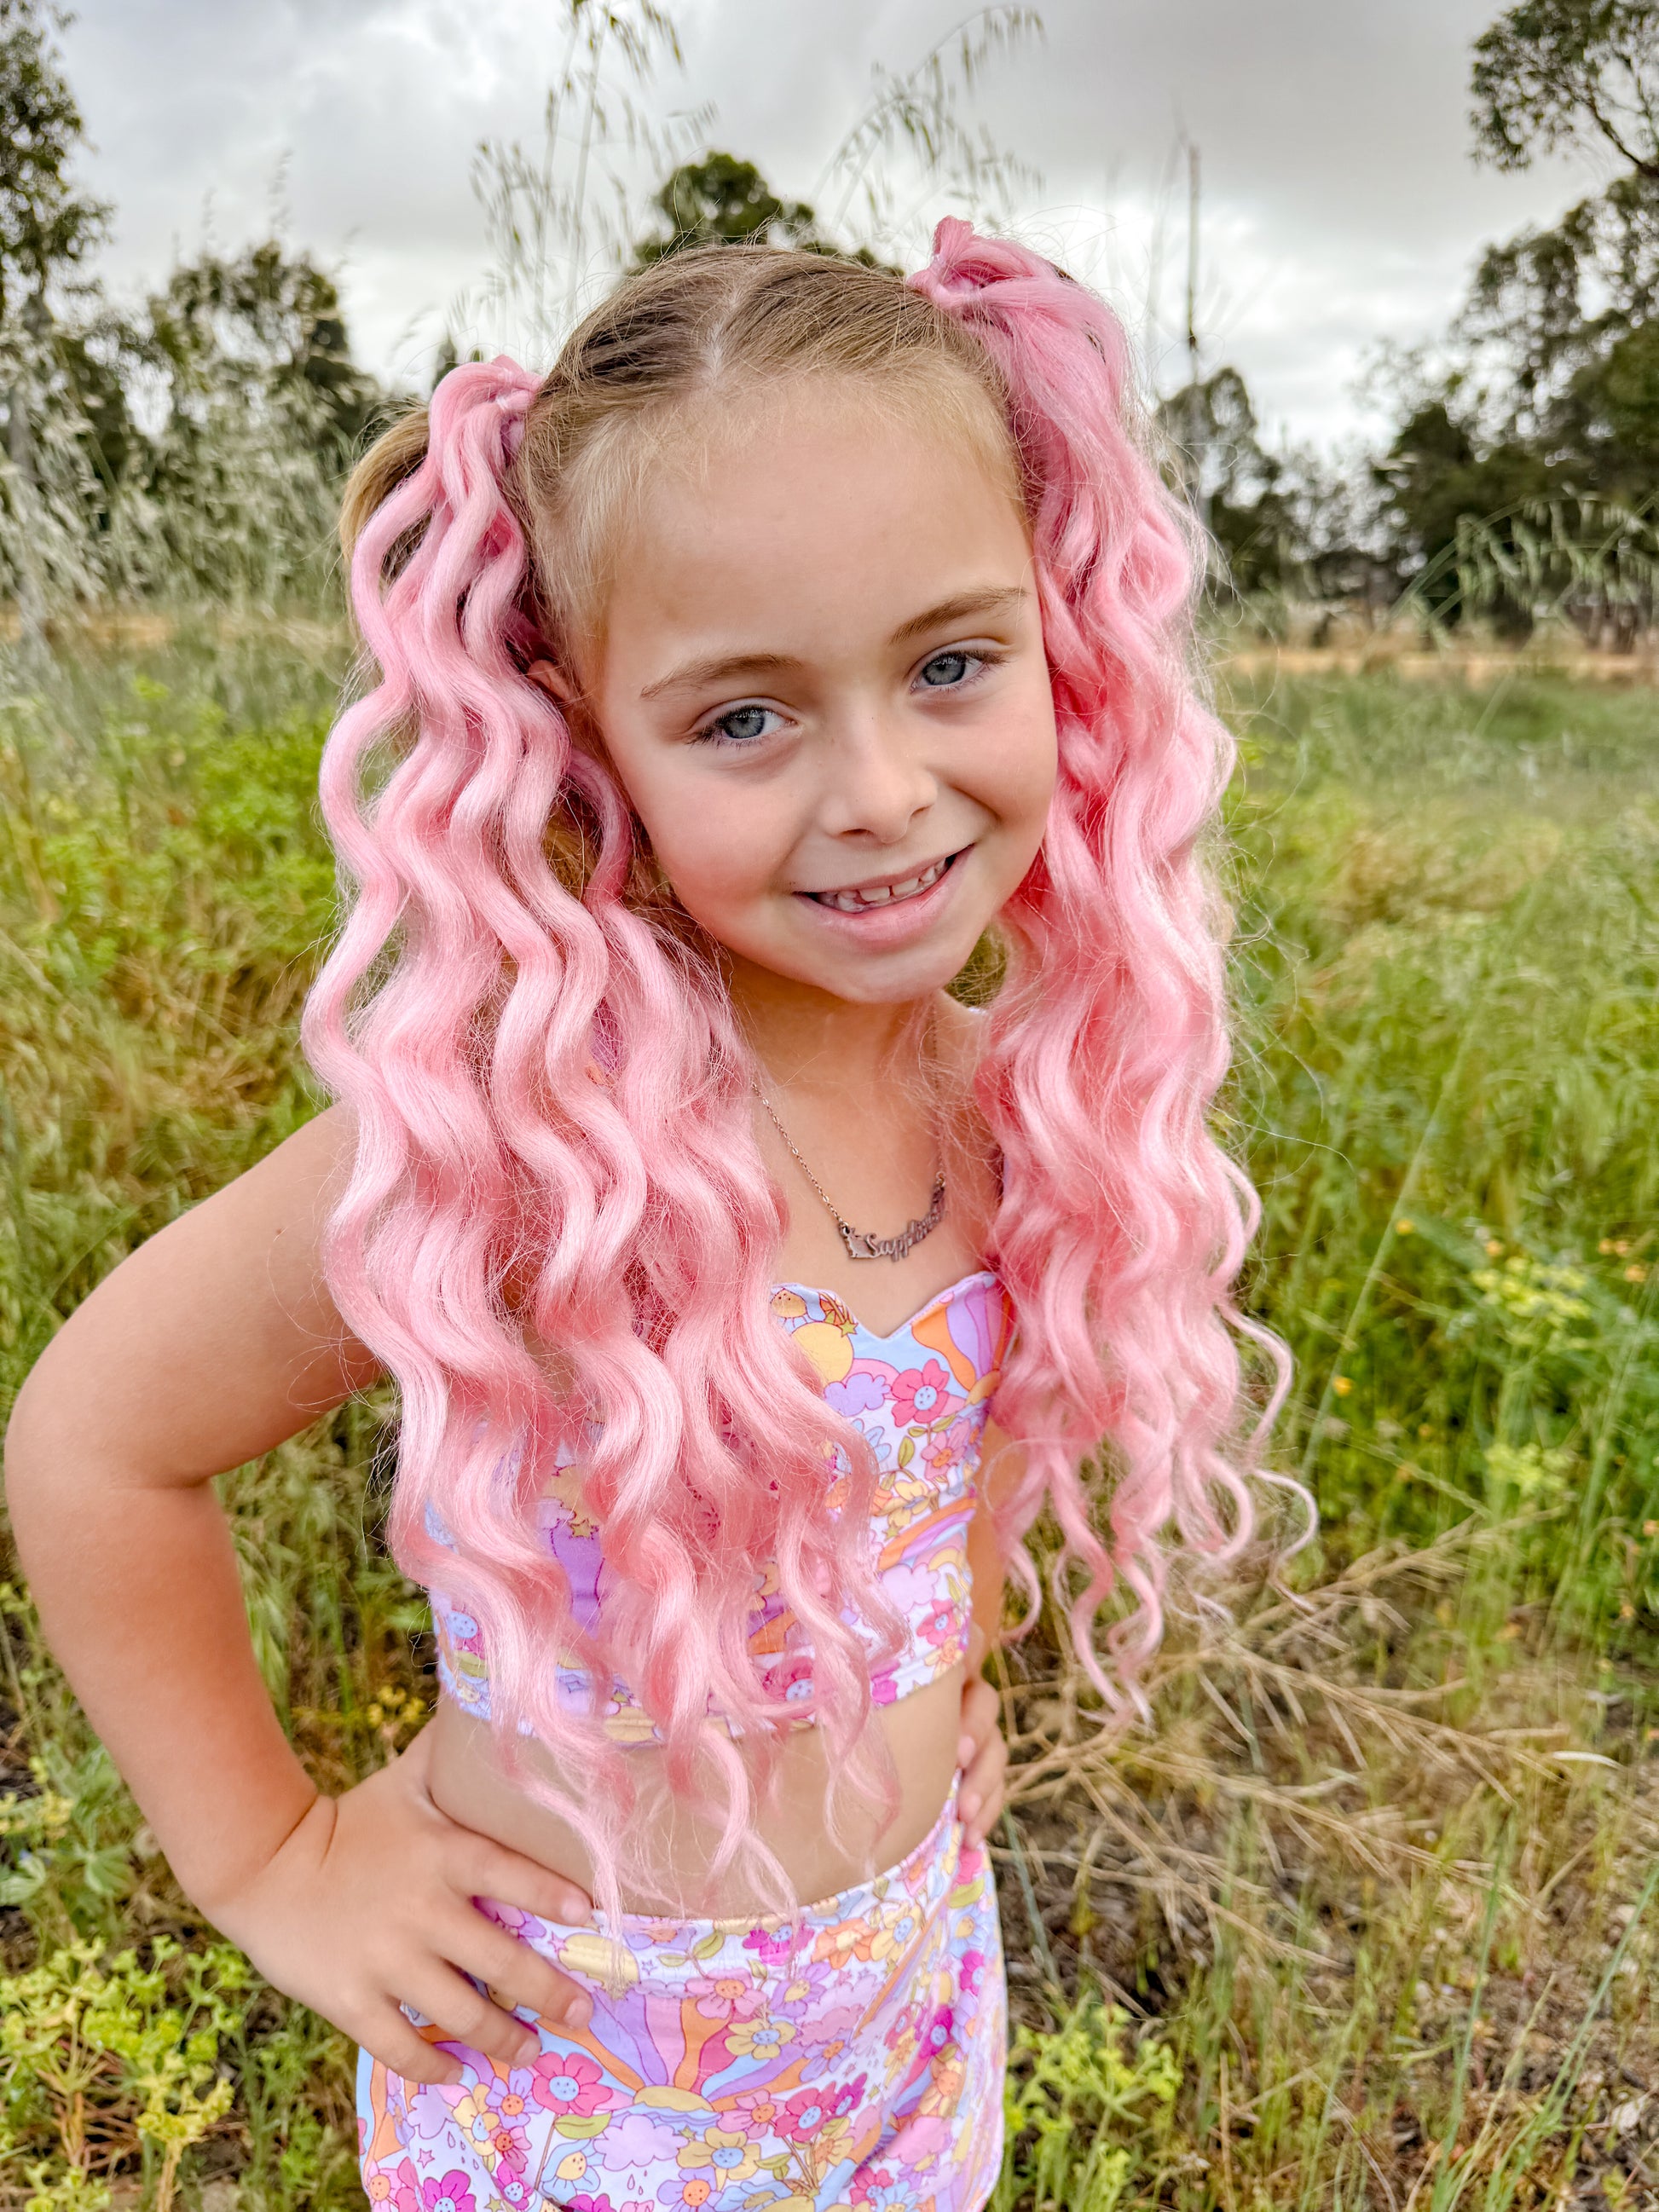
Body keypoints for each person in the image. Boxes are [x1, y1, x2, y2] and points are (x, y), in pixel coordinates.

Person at [4, 218, 1291, 2212]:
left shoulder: (1026, 1105)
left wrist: (948, 1674)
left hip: (895, 2023)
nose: (881, 788)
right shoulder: (524, 1146)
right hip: (573, 2064)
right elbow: (98, 1438)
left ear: (1062, 637)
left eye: (951, 663)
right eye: (744, 716)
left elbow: (945, 1446)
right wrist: (267, 1852)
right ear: (582, 733)